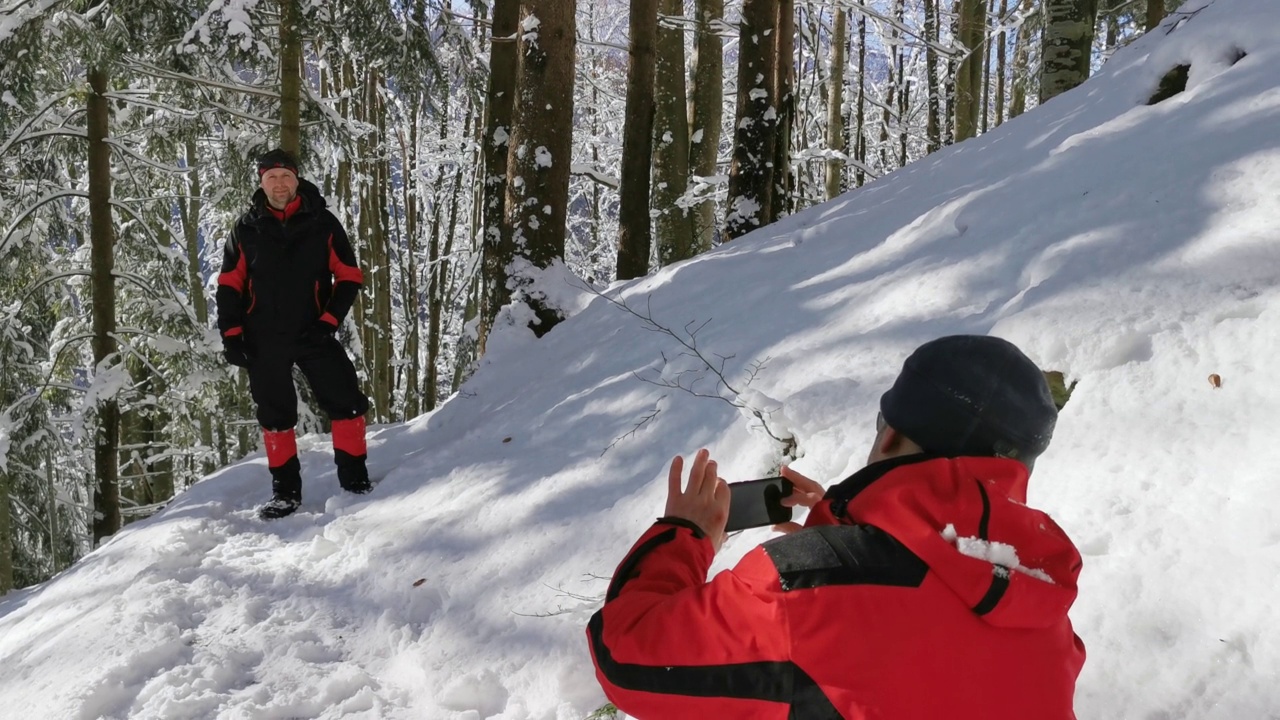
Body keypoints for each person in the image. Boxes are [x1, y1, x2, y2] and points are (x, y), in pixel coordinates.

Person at [587, 335, 1086, 719]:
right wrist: (844, 535)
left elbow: (626, 656)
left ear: (890, 436)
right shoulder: (1043, 609)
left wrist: (683, 535)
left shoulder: (802, 592)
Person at [216, 148, 372, 520]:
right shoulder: (245, 228)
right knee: (275, 414)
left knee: (346, 401)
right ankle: (285, 493)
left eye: (286, 176)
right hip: (263, 337)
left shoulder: (322, 223)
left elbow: (349, 276)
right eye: (272, 177)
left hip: (313, 332)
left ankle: (355, 480)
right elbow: (229, 285)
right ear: (261, 181)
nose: (280, 184)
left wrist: (329, 321)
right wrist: (232, 334)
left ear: (297, 179)